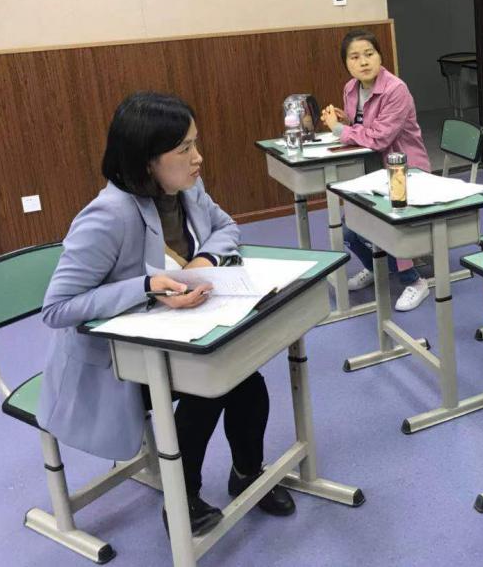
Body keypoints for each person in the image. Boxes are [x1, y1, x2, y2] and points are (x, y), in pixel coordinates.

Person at [37, 92, 295, 537]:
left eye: (195, 143)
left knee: (245, 379)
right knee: (208, 387)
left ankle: (247, 475)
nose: (198, 158)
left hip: (175, 335)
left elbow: (226, 227)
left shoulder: (186, 189)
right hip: (114, 364)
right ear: (146, 161)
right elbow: (57, 308)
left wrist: (203, 263)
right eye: (184, 149)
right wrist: (146, 287)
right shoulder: (108, 216)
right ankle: (182, 498)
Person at [321, 29, 432, 311]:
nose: (363, 62)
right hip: (371, 170)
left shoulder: (396, 90)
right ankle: (375, 267)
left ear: (380, 56)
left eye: (369, 54)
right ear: (346, 63)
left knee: (385, 226)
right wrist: (347, 122)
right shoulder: (351, 88)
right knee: (349, 231)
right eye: (354, 57)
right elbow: (364, 128)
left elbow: (380, 138)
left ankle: (415, 281)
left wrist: (339, 130)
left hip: (405, 170)